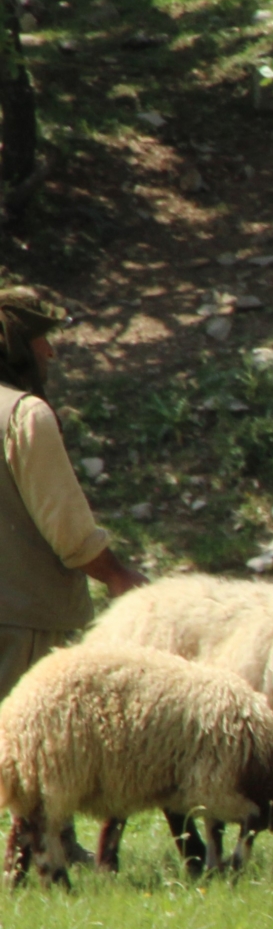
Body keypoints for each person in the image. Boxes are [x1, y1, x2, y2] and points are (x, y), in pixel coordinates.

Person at [1, 286, 142, 702]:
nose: (50, 353)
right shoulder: (23, 416)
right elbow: (70, 531)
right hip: (22, 624)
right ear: (15, 345)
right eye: (41, 339)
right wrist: (118, 576)